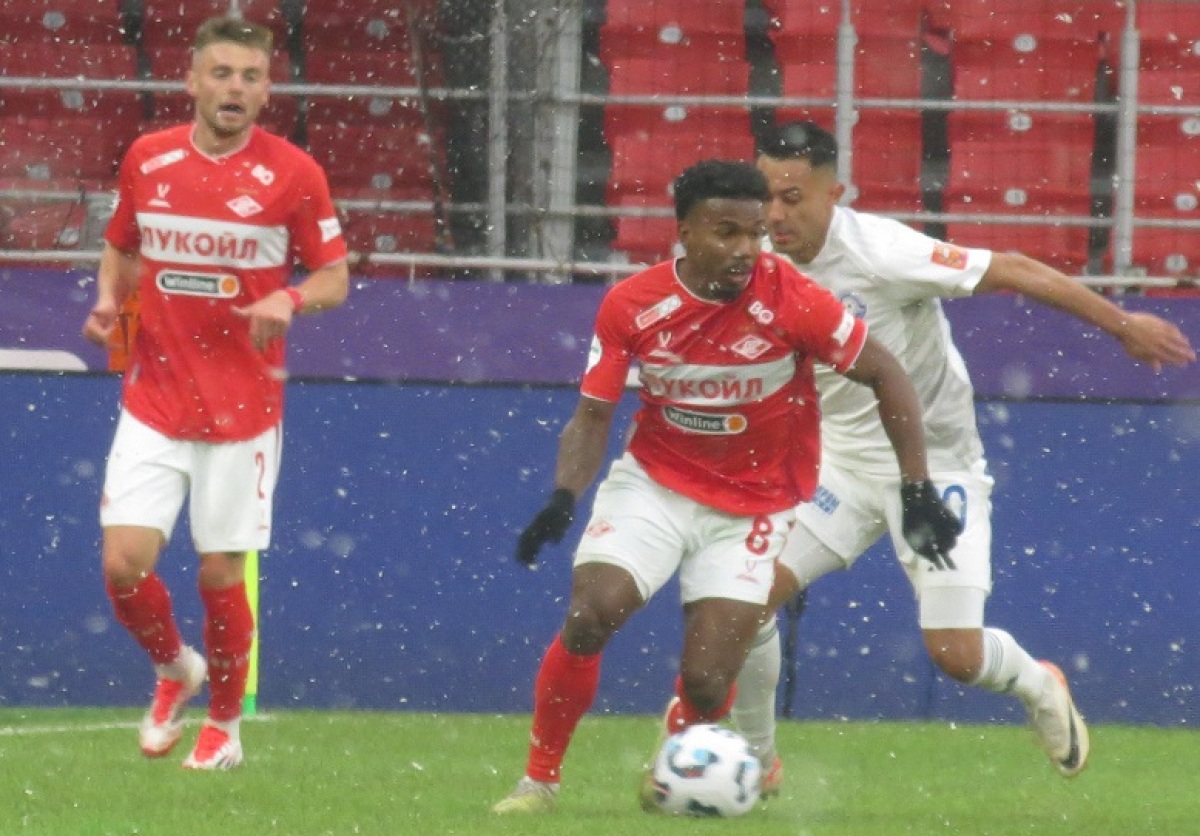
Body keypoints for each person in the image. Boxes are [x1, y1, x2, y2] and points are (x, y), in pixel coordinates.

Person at [731, 120, 1196, 790]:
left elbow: (1012, 268)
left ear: (835, 193)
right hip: (840, 467)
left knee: (955, 654)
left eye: (792, 197)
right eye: (766, 196)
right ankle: (755, 762)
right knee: (742, 601)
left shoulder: (882, 252)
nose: (775, 215)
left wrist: (1123, 325)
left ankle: (1038, 683)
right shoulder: (752, 261)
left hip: (935, 465)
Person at [491, 159, 962, 814]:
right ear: (684, 232)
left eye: (754, 233)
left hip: (755, 506)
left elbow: (888, 374)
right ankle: (538, 783)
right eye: (727, 232)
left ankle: (677, 772)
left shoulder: (794, 300)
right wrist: (563, 496)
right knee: (591, 614)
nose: (746, 249)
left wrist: (916, 489)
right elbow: (594, 414)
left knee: (708, 681)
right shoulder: (632, 304)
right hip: (656, 485)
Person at [81, 15, 349, 770]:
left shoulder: (295, 174)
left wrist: (289, 299)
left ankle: (225, 727)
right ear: (193, 80)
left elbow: (334, 276)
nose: (235, 88)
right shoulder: (149, 158)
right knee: (124, 565)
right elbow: (121, 246)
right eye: (222, 73)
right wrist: (108, 301)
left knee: (219, 574)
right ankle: (176, 668)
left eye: (250, 76)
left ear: (267, 90)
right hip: (156, 398)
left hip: (243, 411)